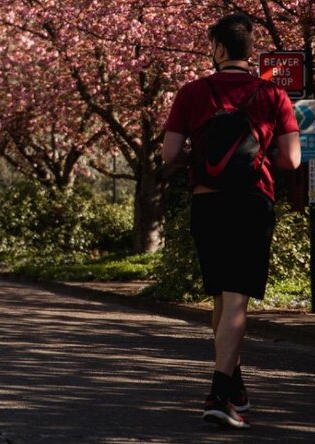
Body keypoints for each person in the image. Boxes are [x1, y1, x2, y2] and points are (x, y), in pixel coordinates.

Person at [162, 13, 301, 428]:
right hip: (250, 203)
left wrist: (202, 163)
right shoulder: (273, 95)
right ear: (248, 50)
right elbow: (291, 159)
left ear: (219, 49)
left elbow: (168, 155)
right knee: (238, 295)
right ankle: (220, 393)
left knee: (222, 297)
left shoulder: (192, 92)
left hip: (207, 203)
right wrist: (258, 161)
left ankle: (234, 385)